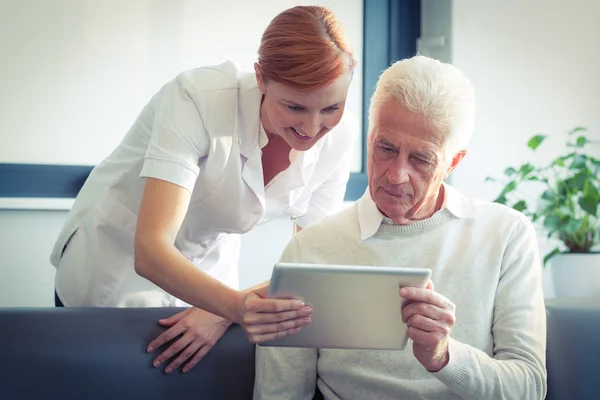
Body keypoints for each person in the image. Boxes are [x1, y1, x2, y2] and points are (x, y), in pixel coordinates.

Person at [49, 6, 358, 374]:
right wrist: (232, 306)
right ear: (261, 78)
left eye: (331, 107)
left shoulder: (341, 135)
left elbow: (314, 265)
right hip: (114, 260)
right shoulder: (197, 98)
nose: (312, 127)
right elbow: (150, 249)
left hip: (212, 269)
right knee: (103, 379)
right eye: (294, 106)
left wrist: (223, 310)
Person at [253, 56, 547, 400]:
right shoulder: (311, 249)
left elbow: (528, 388)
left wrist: (444, 357)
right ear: (368, 138)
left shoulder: (506, 235)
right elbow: (279, 393)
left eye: (421, 159)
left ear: (454, 162)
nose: (396, 175)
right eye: (385, 148)